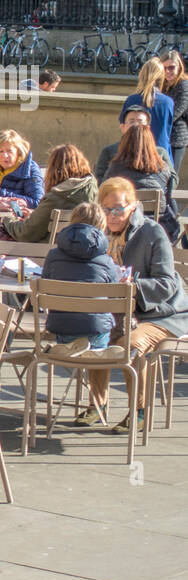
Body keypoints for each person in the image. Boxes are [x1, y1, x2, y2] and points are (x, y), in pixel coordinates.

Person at [87, 177, 188, 433]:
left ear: (133, 206)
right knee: (96, 335)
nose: (112, 215)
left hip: (160, 313)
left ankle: (139, 411)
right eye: (106, 209)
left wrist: (132, 285)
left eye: (118, 209)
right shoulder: (100, 233)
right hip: (118, 310)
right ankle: (97, 405)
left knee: (130, 345)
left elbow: (167, 284)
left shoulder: (152, 232)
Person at [39, 202, 123, 426]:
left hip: (61, 328)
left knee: (82, 325)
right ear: (101, 225)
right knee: (103, 332)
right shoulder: (106, 261)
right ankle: (98, 404)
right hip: (94, 330)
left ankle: (72, 346)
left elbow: (45, 283)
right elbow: (115, 297)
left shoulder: (54, 255)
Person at [0, 144, 97, 244]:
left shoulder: (56, 197)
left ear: (53, 170)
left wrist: (7, 220)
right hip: (84, 247)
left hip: (50, 252)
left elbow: (25, 233)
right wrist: (34, 215)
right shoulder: (92, 190)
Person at [101, 122, 180, 241]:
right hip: (158, 230)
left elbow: (104, 194)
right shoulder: (163, 168)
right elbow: (169, 195)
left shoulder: (115, 168)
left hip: (122, 231)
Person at [0, 129, 44, 208]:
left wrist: (1, 193)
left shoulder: (30, 170)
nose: (5, 156)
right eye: (1, 151)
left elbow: (37, 203)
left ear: (18, 152)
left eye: (9, 151)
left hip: (14, 219)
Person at [123, 58, 174, 155]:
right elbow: (168, 130)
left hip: (135, 151)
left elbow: (123, 126)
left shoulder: (131, 100)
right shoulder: (167, 102)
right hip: (161, 152)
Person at [95, 107, 151, 180]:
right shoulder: (109, 151)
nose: (136, 125)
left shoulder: (159, 153)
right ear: (122, 127)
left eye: (140, 122)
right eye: (132, 122)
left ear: (148, 128)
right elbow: (99, 179)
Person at [162, 49, 188, 174]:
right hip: (161, 136)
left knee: (171, 175)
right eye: (164, 68)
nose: (168, 71)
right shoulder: (161, 85)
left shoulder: (184, 85)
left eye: (171, 67)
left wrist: (158, 121)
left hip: (177, 137)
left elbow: (177, 111)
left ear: (179, 67)